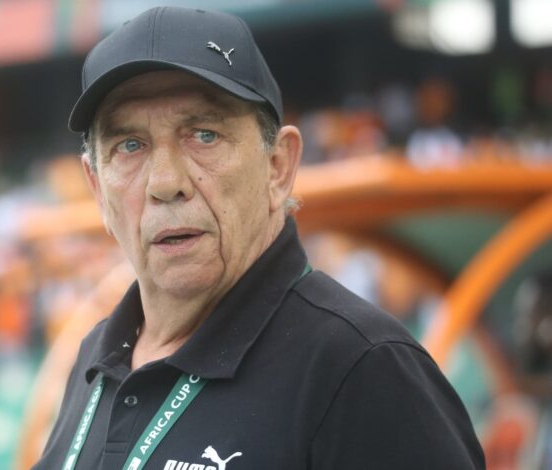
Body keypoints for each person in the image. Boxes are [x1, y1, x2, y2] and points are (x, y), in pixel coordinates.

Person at [33, 6, 484, 470]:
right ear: (97, 189)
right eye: (129, 146)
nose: (165, 183)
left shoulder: (362, 367)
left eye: (204, 135)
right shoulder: (94, 358)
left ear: (278, 167)